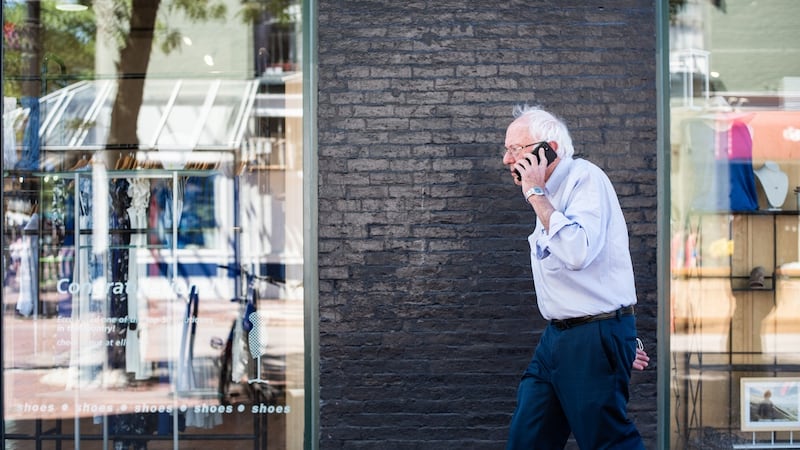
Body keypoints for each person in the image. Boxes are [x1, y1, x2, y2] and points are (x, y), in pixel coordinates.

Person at [503, 104, 648, 449]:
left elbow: (578, 251)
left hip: (592, 334)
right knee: (528, 437)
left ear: (547, 149)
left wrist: (535, 193)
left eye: (514, 149)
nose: (507, 160)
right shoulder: (550, 195)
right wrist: (620, 340)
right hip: (559, 338)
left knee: (607, 440)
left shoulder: (584, 179)